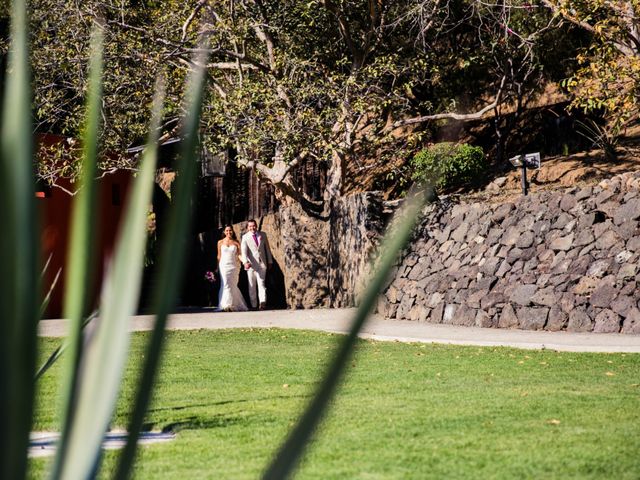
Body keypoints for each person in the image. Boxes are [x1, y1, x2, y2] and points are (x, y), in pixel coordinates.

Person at [241, 219, 273, 310]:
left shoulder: (263, 235)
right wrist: (245, 262)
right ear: (248, 227)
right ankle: (254, 305)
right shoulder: (245, 237)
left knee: (262, 284)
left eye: (254, 225)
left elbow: (267, 249)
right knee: (252, 286)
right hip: (251, 265)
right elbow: (244, 252)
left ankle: (262, 303)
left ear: (256, 225)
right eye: (250, 226)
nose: (252, 228)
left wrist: (270, 261)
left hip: (262, 264)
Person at [216, 225, 248, 312]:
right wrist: (216, 267)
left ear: (232, 231)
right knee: (225, 284)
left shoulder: (236, 242)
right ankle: (226, 305)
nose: (228, 232)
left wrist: (245, 262)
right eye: (227, 231)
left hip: (234, 266)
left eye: (230, 230)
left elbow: (239, 255)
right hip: (223, 266)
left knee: (233, 285)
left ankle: (234, 304)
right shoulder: (220, 242)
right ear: (224, 232)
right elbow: (219, 256)